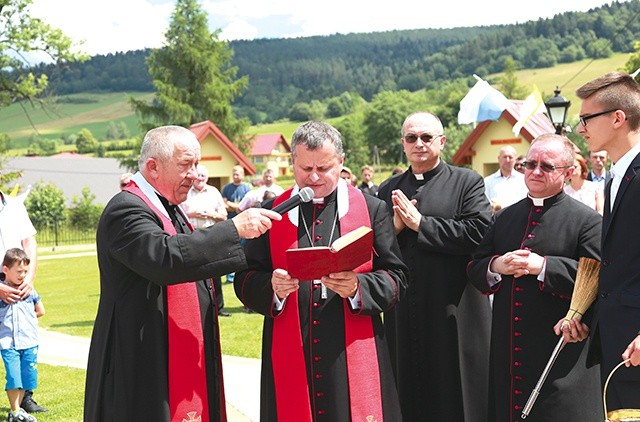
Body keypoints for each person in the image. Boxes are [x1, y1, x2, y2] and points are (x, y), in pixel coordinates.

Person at [84, 125, 281, 422]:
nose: (195, 173)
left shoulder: (170, 207)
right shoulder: (125, 210)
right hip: (139, 357)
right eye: (185, 165)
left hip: (168, 350)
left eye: (197, 164)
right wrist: (233, 229)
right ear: (153, 167)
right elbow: (166, 257)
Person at [234, 120, 408, 421]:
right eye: (305, 169)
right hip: (291, 350)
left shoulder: (371, 209)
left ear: (341, 162)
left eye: (324, 168)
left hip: (348, 350)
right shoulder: (271, 212)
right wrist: (271, 287)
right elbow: (245, 279)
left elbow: (397, 279)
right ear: (292, 163)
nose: (314, 177)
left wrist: (358, 288)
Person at [467, 133, 603, 421]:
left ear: (567, 173)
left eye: (546, 166)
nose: (536, 171)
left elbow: (600, 277)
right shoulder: (504, 218)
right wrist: (496, 265)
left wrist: (543, 266)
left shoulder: (588, 222)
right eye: (530, 164)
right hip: (510, 357)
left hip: (561, 353)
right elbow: (475, 268)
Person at [377, 111, 493, 421]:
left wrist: (421, 224)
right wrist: (395, 228)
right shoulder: (388, 188)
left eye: (427, 137)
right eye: (412, 138)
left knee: (453, 388)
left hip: (452, 306)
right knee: (407, 389)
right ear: (403, 144)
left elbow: (479, 234)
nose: (419, 143)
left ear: (441, 141)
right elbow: (374, 248)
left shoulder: (466, 182)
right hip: (404, 309)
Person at [557, 71, 640, 414]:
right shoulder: (614, 178)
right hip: (617, 342)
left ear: (618, 118)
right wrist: (587, 316)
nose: (580, 129)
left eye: (586, 118)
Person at [0, 184, 44, 415]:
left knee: (22, 341)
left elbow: (29, 242)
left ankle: (25, 400)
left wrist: (30, 277)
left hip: (19, 278)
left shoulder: (15, 206)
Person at [0, 248, 44, 422]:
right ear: (5, 270)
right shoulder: (2, 294)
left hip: (29, 342)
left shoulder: (29, 291)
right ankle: (16, 411)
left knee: (27, 379)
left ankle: (18, 411)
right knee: (13, 377)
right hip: (8, 344)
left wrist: (27, 320)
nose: (23, 275)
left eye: (25, 271)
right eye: (19, 271)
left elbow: (40, 311)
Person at [182, 164, 231, 317]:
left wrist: (211, 214)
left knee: (215, 273)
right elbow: (178, 213)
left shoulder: (214, 192)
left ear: (207, 177)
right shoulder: (186, 192)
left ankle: (219, 308)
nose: (200, 178)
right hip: (191, 235)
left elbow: (224, 215)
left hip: (211, 234)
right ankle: (196, 308)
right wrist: (193, 214)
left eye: (203, 175)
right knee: (193, 274)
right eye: (199, 175)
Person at [221, 165, 251, 284]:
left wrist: (233, 205)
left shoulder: (247, 189)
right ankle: (230, 277)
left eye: (238, 173)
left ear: (243, 175)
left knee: (244, 249)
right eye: (234, 173)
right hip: (231, 223)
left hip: (245, 224)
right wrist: (238, 206)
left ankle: (242, 273)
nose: (235, 175)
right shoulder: (226, 188)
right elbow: (225, 206)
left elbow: (246, 208)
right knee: (230, 249)